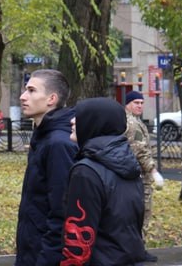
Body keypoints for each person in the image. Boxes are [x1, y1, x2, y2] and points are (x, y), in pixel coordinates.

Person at [61, 97, 145, 265]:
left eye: (79, 116)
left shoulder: (85, 172)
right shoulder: (129, 164)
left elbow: (78, 240)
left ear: (94, 123)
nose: (71, 121)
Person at [15, 69, 78, 266]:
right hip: (32, 248)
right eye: (26, 90)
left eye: (32, 91)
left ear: (51, 99)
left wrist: (46, 259)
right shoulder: (44, 137)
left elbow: (62, 212)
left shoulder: (58, 144)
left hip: (45, 255)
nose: (23, 96)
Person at [124, 90, 164, 262]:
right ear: (127, 104)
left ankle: (136, 250)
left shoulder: (133, 121)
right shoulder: (132, 123)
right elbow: (141, 152)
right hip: (139, 177)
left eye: (141, 103)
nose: (139, 106)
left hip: (133, 176)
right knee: (142, 214)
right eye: (135, 103)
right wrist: (154, 171)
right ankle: (138, 252)